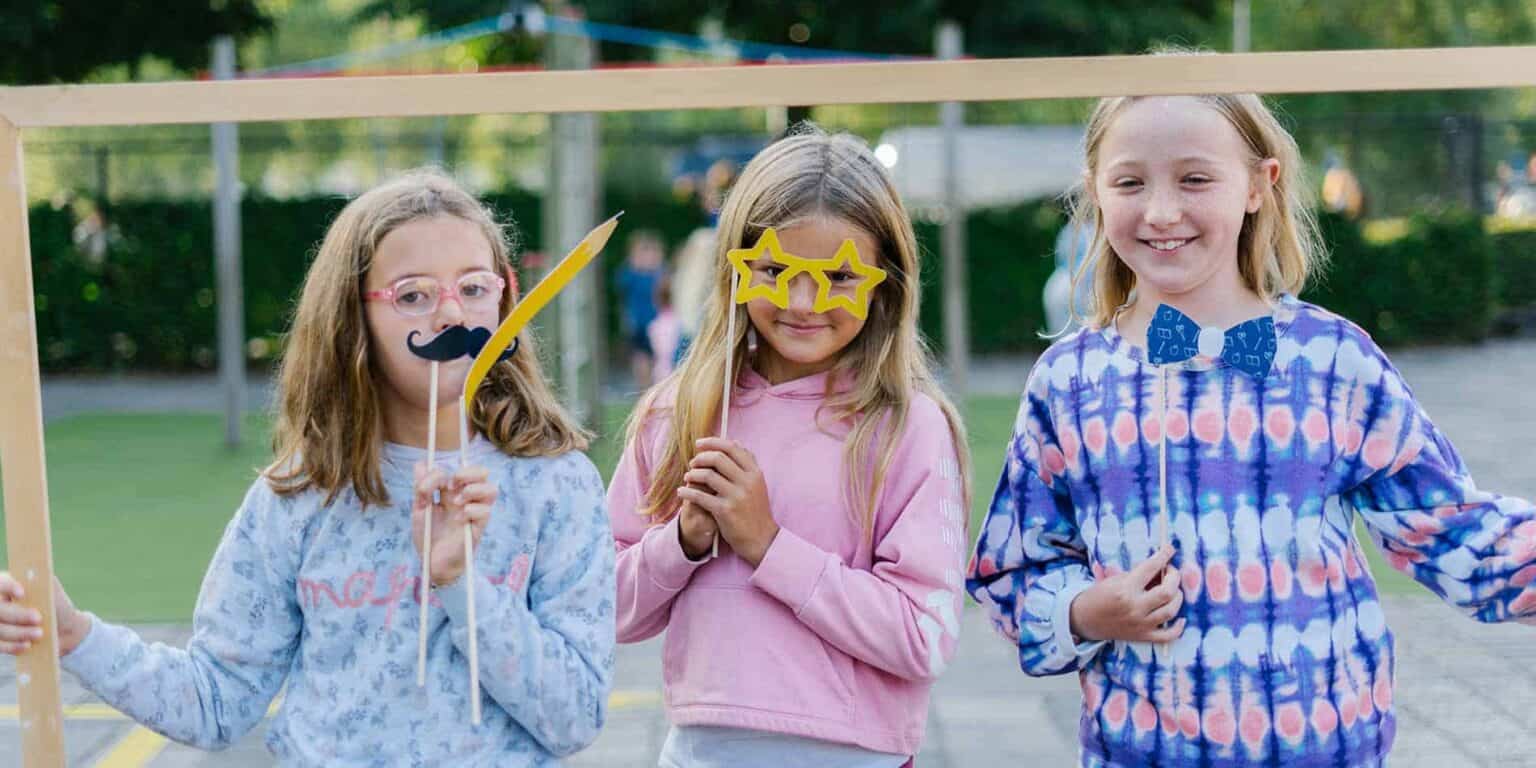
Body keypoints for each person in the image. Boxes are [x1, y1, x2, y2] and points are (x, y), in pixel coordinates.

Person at [967, 91, 1536, 768]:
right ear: (1095, 194)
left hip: (1329, 748)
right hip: (1140, 751)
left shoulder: (1335, 362)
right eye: (1129, 182)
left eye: (1195, 178)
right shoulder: (1068, 383)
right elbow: (1010, 570)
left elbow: (1450, 527)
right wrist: (1085, 611)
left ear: (1258, 187)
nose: (1161, 211)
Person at [0, 170, 615, 765]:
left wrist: (461, 584)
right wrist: (75, 634)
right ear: (353, 319)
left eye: (475, 288)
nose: (451, 316)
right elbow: (217, 702)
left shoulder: (555, 487)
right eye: (413, 295)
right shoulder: (300, 497)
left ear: (507, 295)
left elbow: (574, 718)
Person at [609, 126, 971, 767]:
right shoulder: (678, 412)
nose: (802, 303)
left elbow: (924, 636)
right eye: (776, 271)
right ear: (736, 270)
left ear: (883, 282)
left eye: (836, 277)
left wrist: (768, 545)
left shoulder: (906, 427)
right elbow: (604, 611)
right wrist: (682, 544)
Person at [617, 230, 665, 389]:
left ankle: (653, 387)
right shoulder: (631, 274)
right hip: (639, 323)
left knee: (656, 357)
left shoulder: (659, 274)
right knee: (641, 357)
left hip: (656, 322)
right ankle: (644, 388)